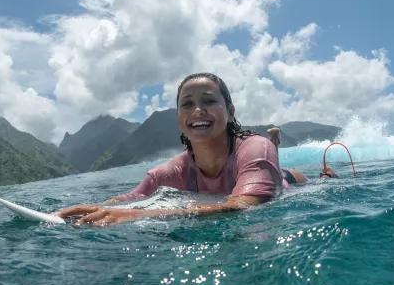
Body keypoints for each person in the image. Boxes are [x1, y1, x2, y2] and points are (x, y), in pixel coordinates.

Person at [56, 72, 335, 227]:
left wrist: (137, 215)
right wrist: (96, 208)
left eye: (209, 101)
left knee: (298, 183)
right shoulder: (168, 172)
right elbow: (133, 196)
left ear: (230, 110)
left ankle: (311, 171)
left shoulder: (254, 148)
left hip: (286, 182)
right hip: (251, 174)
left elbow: (241, 206)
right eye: (187, 104)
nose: (197, 110)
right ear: (179, 117)